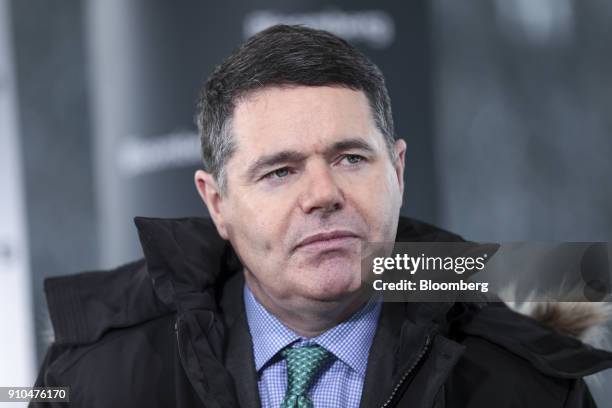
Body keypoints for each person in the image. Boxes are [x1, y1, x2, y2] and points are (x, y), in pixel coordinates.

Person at [32, 24, 612, 408]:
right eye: (280, 171)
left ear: (399, 172)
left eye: (351, 158)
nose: (323, 194)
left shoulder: (529, 379)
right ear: (218, 204)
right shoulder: (92, 378)